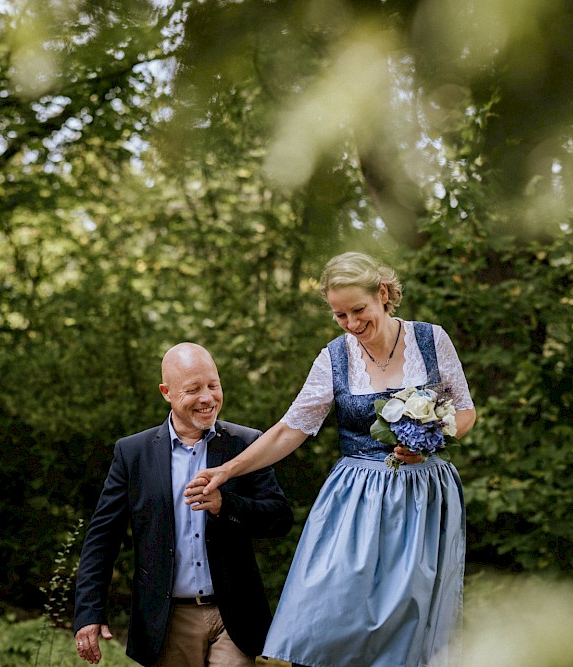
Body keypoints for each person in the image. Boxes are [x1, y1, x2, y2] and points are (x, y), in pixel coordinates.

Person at [186, 252, 476, 667]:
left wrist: (430, 437)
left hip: (422, 497)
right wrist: (225, 470)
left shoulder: (431, 340)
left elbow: (464, 411)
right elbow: (291, 429)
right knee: (329, 606)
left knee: (409, 615)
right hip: (355, 498)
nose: (352, 324)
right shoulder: (334, 357)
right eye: (340, 315)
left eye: (358, 310)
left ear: (383, 294)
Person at [73, 342, 293, 667]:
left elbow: (279, 518)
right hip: (166, 619)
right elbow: (102, 540)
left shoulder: (247, 444)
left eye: (213, 386)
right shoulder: (133, 454)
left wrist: (225, 505)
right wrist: (89, 613)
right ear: (167, 392)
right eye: (193, 389)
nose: (207, 398)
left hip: (233, 615)